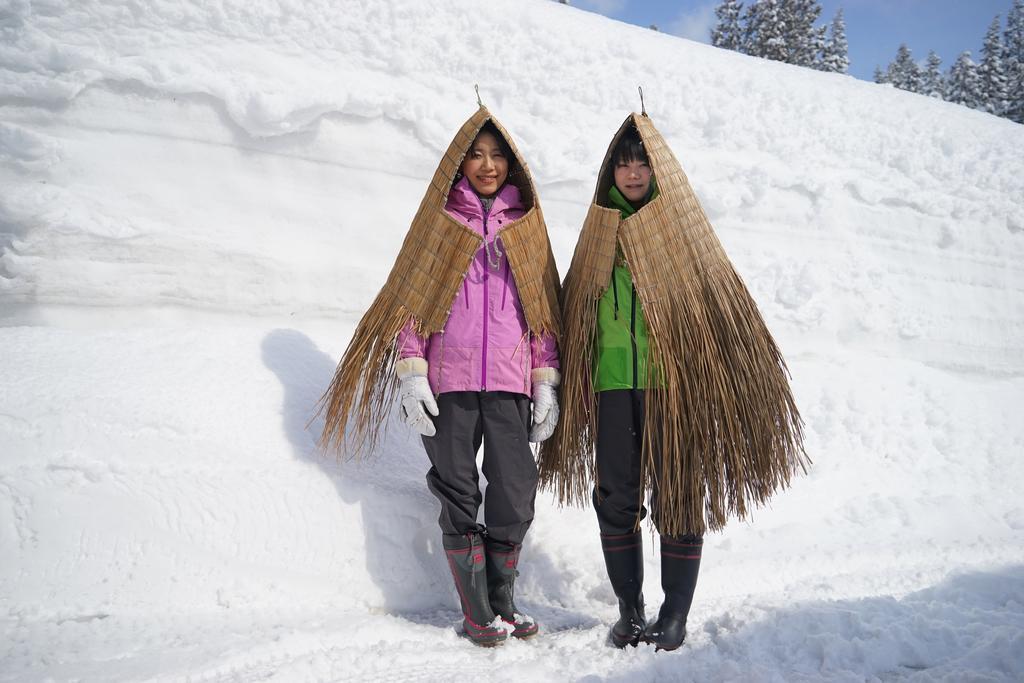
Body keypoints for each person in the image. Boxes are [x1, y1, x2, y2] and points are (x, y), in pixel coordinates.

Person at [540, 113, 807, 652]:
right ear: (610, 171)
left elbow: (717, 306)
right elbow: (574, 307)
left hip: (673, 385)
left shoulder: (683, 234)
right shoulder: (598, 233)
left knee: (680, 494)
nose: (633, 173)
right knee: (616, 497)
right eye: (624, 162)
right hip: (611, 384)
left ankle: (676, 613)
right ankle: (629, 610)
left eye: (642, 163)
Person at [318, 107, 562, 648]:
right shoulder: (440, 221)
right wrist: (411, 372)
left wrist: (544, 380)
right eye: (476, 154)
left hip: (507, 378)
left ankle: (503, 599)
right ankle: (477, 611)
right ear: (459, 163)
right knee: (456, 488)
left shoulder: (526, 226)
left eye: (497, 155)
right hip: (448, 378)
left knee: (515, 489)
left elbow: (542, 309)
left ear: (512, 165)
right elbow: (413, 305)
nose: (487, 164)